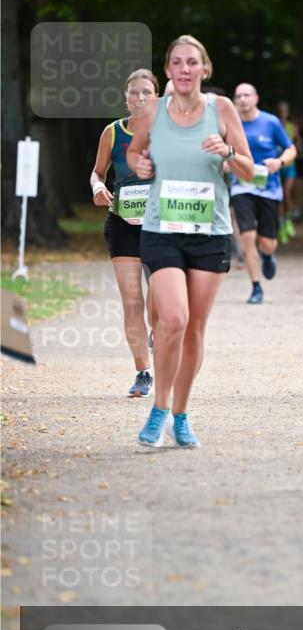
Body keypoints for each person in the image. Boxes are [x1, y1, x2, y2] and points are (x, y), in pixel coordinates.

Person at [127, 35, 254, 449]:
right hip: (162, 230)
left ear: (205, 69)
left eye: (192, 62)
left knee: (195, 329)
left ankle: (180, 414)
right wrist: (140, 164)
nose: (184, 69)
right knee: (174, 319)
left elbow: (250, 171)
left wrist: (228, 151)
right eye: (177, 62)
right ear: (167, 70)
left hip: (210, 233)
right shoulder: (151, 111)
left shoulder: (222, 110)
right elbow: (134, 153)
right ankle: (159, 407)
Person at [90, 68, 158, 397]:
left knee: (160, 302)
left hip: (162, 224)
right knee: (133, 303)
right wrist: (97, 188)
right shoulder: (112, 133)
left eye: (147, 92)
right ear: (126, 97)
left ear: (156, 97)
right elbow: (97, 173)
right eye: (134, 93)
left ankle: (159, 332)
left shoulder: (168, 132)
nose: (140, 98)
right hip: (122, 223)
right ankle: (143, 372)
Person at [230, 83, 297, 304]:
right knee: (247, 236)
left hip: (269, 189)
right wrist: (226, 164)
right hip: (241, 187)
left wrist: (279, 161)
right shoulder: (230, 124)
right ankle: (256, 287)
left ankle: (268, 255)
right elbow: (219, 153)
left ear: (256, 98)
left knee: (267, 242)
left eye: (247, 95)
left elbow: (291, 149)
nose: (242, 99)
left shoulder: (270, 122)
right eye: (238, 96)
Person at [277, 100, 300, 243]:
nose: (282, 112)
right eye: (280, 110)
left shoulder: (293, 127)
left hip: (290, 165)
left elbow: (298, 143)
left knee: (287, 193)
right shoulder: (274, 125)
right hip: (277, 165)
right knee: (280, 196)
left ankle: (289, 219)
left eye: (285, 110)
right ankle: (282, 224)